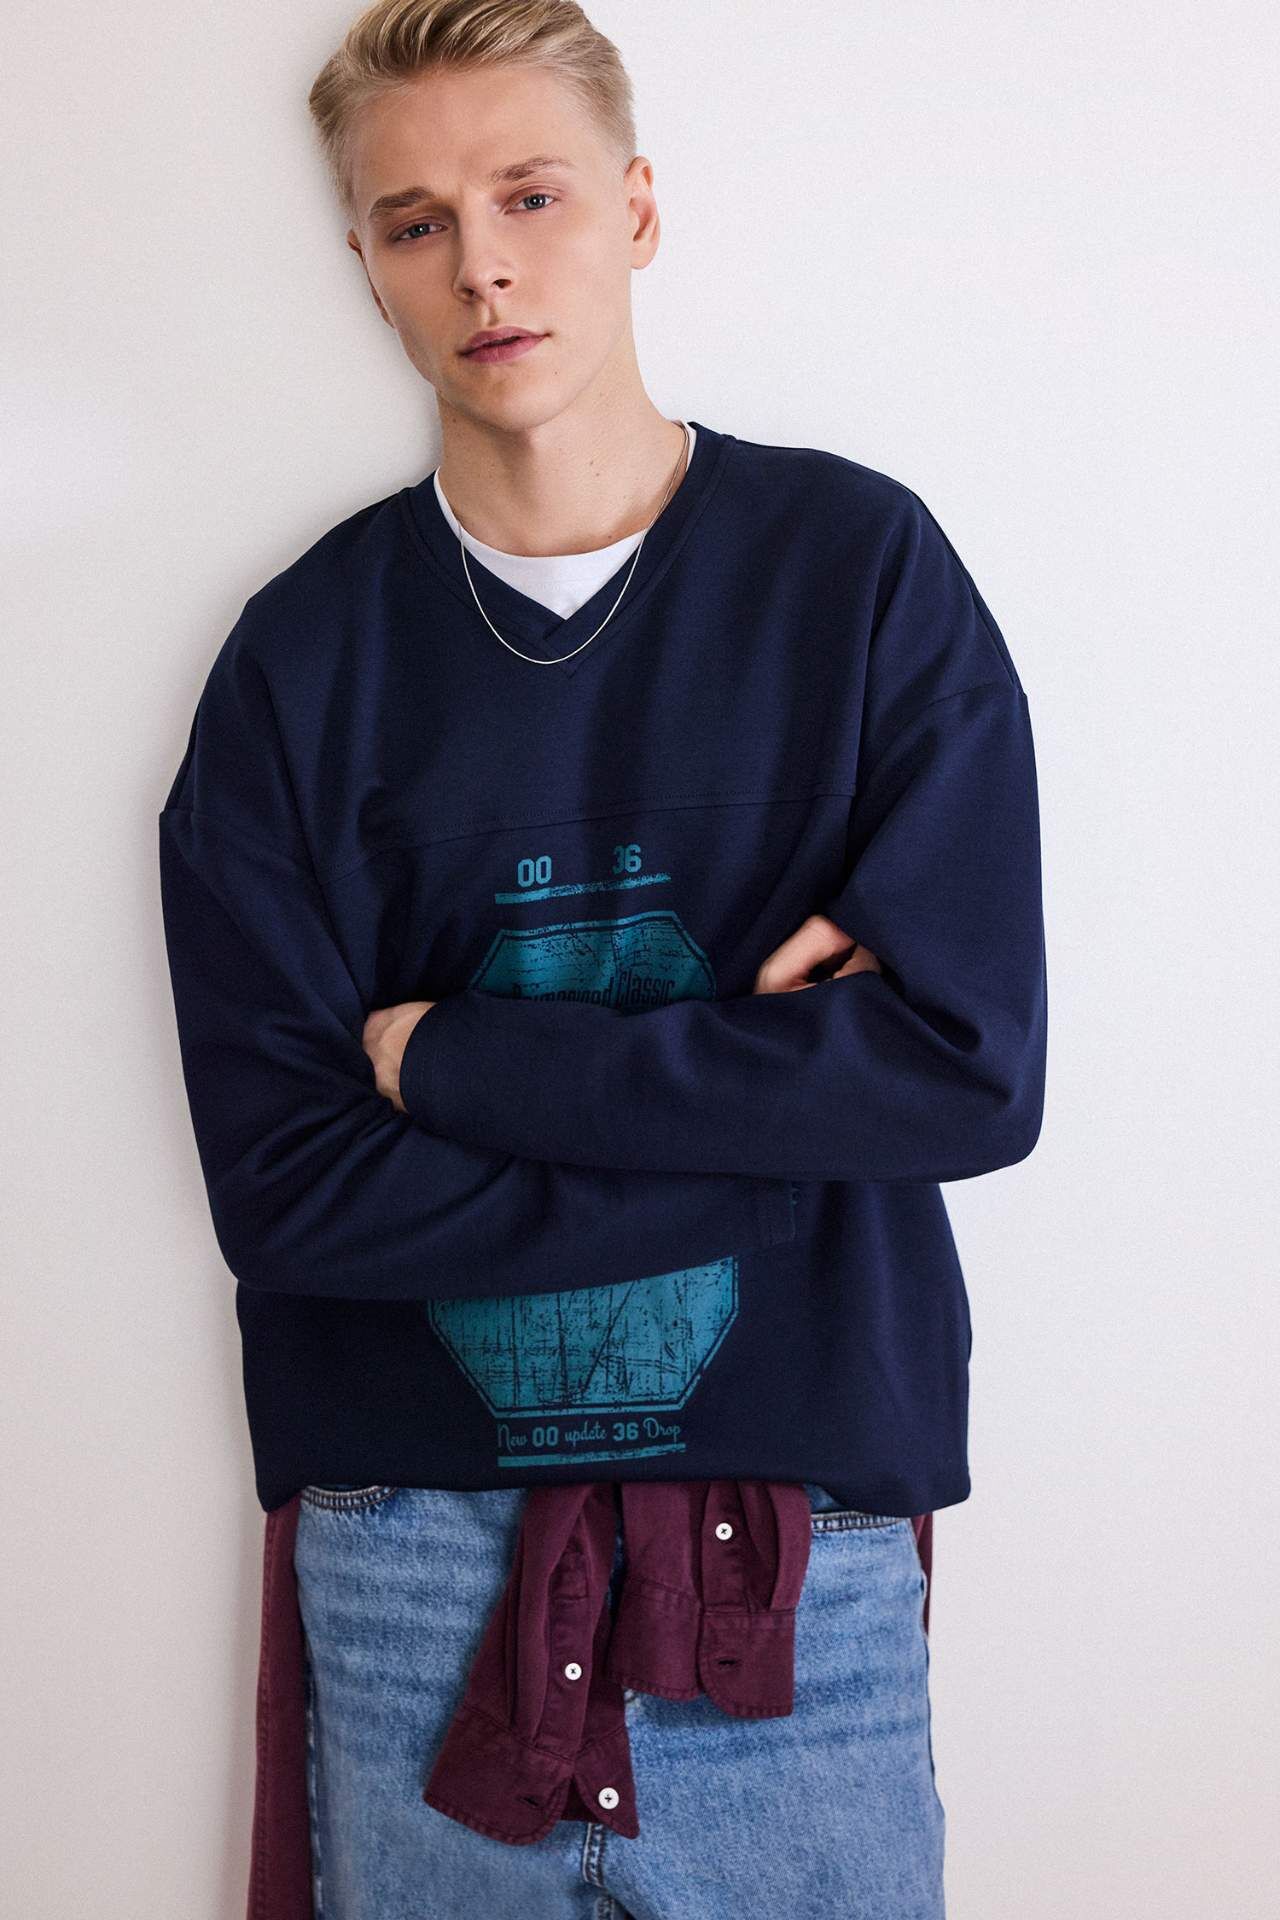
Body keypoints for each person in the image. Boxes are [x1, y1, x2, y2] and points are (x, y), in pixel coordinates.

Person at [157, 3, 1047, 1915]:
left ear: (636, 208)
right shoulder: (300, 666)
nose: (481, 264)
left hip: (796, 1551)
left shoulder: (857, 576)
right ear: (366, 265)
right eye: (415, 223)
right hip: (413, 1555)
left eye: (530, 194)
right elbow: (291, 1192)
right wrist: (791, 1121)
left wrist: (454, 1066)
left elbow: (968, 1076)